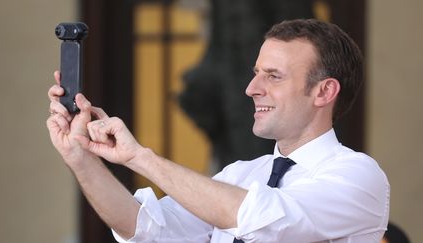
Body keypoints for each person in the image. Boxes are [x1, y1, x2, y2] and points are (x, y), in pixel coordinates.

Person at [47, 19, 390, 242]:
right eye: (256, 72)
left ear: (324, 92)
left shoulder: (357, 176)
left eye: (273, 75)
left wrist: (140, 158)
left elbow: (262, 219)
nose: (252, 88)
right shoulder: (238, 176)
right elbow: (145, 228)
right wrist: (81, 157)